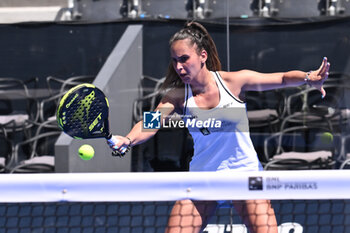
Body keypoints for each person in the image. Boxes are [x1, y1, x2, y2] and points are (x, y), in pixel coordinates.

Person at [107, 21, 330, 233]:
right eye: (175, 60)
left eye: (184, 59)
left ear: (202, 56)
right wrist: (127, 140)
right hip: (203, 177)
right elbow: (150, 123)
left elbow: (281, 78)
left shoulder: (234, 82)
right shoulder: (177, 97)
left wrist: (310, 78)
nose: (179, 67)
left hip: (244, 174)